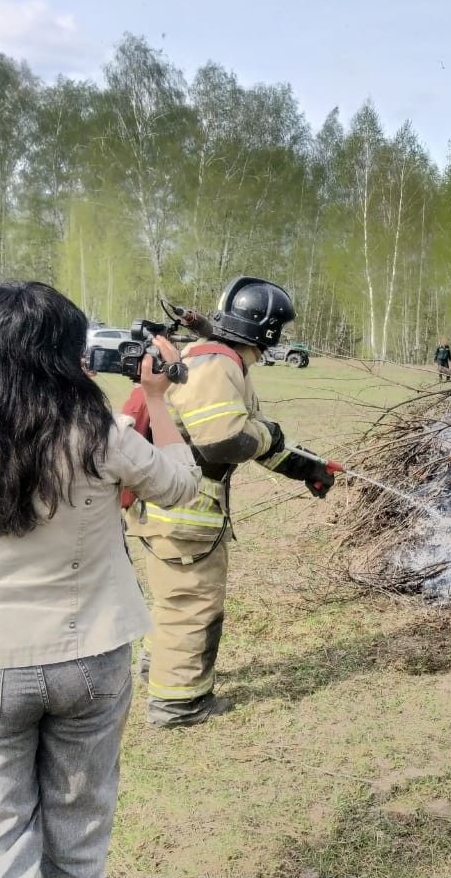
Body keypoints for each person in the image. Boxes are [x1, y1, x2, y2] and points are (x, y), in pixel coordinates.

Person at [0, 282, 201, 877]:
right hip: (89, 652)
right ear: (68, 353)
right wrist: (156, 398)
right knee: (78, 839)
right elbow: (179, 486)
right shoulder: (102, 435)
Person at [129, 277, 338, 727]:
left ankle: (159, 671)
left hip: (171, 503)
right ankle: (179, 703)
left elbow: (255, 434)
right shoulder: (218, 365)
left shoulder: (219, 361)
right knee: (192, 602)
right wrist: (267, 435)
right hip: (185, 507)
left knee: (173, 599)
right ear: (271, 331)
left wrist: (309, 468)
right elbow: (228, 441)